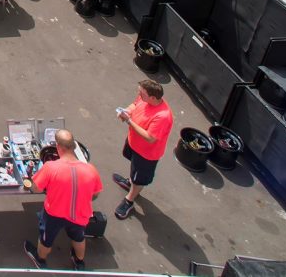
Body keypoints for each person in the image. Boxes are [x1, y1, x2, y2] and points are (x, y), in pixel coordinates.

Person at [25, 129, 102, 270]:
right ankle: (79, 262)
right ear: (74, 146)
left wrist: (30, 182)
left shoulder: (50, 167)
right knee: (78, 237)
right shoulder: (91, 169)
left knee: (46, 240)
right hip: (80, 214)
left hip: (54, 214)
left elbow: (36, 188)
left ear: (58, 147)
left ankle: (40, 259)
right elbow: (95, 194)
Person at [113, 79, 174, 220]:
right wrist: (127, 111)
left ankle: (129, 200)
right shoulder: (144, 98)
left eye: (142, 93)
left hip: (146, 154)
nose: (139, 95)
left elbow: (150, 137)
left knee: (139, 179)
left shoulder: (163, 116)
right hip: (134, 144)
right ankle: (130, 182)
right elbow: (135, 105)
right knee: (135, 171)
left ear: (153, 97)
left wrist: (129, 121)